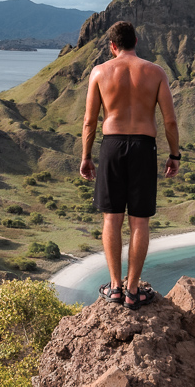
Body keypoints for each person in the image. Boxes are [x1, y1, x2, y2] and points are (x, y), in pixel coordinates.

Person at [79, 20, 181, 309]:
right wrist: (174, 155)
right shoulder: (155, 72)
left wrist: (86, 156)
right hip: (143, 147)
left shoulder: (99, 72)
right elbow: (170, 120)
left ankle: (114, 287)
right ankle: (133, 291)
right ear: (136, 41)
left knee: (111, 218)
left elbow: (89, 121)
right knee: (140, 221)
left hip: (111, 146)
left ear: (112, 46)